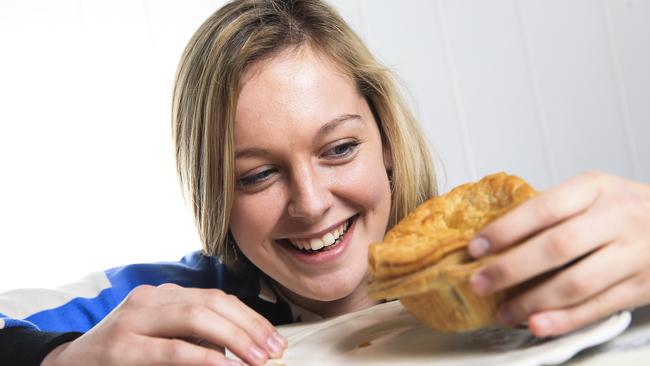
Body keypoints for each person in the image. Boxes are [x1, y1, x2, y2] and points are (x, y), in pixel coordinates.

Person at [1, 0, 649, 365]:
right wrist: (61, 361)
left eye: (338, 149)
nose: (310, 204)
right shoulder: (162, 309)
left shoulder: (523, 259)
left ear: (387, 141)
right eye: (256, 175)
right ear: (213, 191)